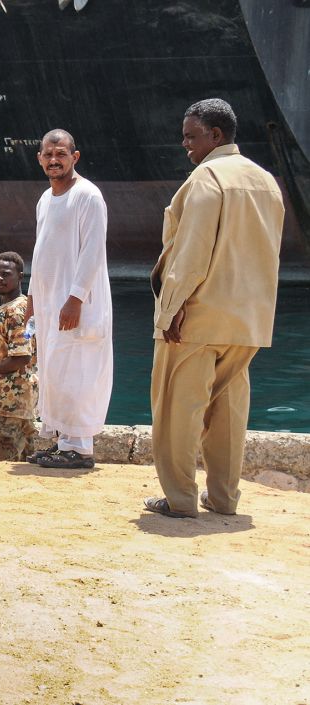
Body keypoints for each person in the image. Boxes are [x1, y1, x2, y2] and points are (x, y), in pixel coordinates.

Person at [144, 99, 285, 519]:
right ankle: (223, 498)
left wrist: (170, 309)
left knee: (176, 410)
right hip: (248, 321)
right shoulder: (265, 181)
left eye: (192, 135)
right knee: (228, 410)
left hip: (198, 316)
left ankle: (180, 499)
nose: (185, 144)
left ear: (216, 136)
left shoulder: (206, 178)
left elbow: (191, 250)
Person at [27, 129, 113, 470]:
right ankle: (63, 442)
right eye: (47, 154)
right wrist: (32, 298)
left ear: (74, 157)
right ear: (39, 159)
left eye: (60, 154)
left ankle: (80, 448)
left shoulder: (89, 196)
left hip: (76, 303)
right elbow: (39, 253)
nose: (53, 160)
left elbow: (93, 252)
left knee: (77, 370)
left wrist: (75, 298)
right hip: (49, 304)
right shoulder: (44, 200)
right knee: (54, 370)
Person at [0, 252, 38, 461]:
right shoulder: (26, 307)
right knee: (27, 457)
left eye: (6, 274)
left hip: (10, 397)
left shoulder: (12, 312)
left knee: (1, 453)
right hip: (27, 395)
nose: (0, 279)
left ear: (20, 276)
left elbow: (21, 356)